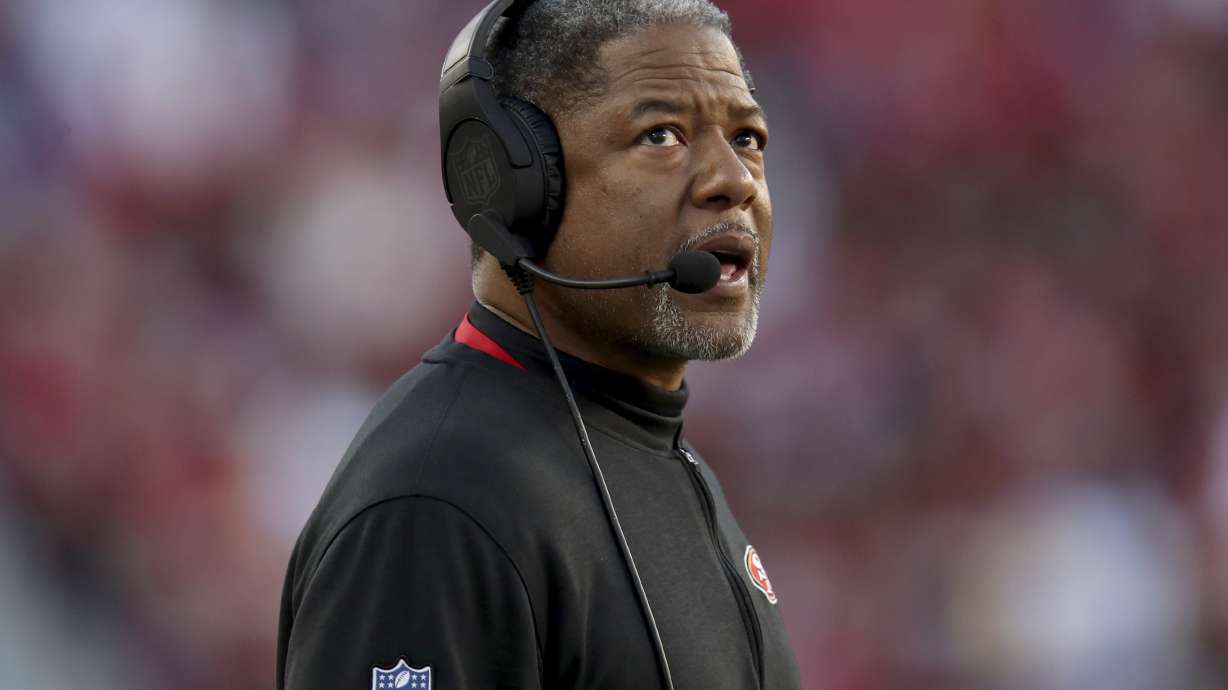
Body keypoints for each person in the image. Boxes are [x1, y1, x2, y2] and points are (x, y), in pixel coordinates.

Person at [276, 1, 800, 688]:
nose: (732, 179)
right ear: (515, 184)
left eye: (748, 138)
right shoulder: (438, 501)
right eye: (662, 136)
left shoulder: (660, 458)